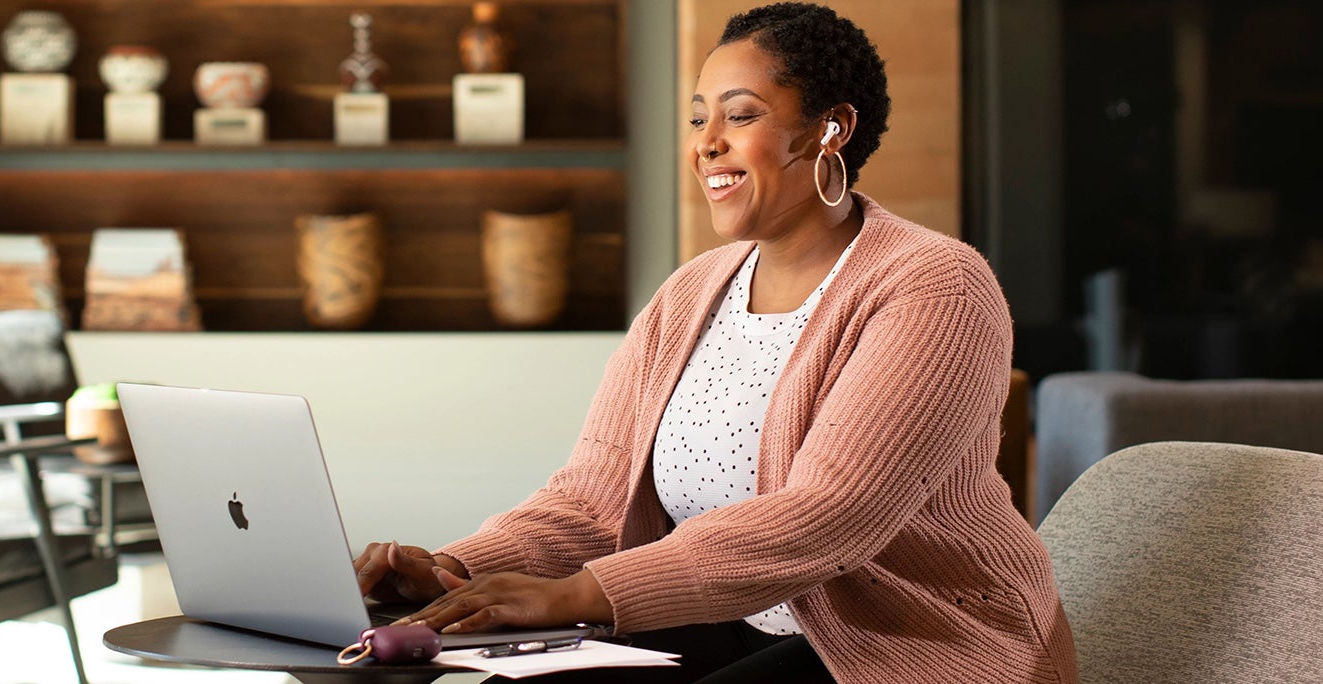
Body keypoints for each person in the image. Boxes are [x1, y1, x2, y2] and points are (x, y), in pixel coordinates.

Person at [353, 4, 1080, 682]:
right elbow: (590, 502)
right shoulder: (690, 294)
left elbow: (827, 517)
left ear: (832, 130)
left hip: (913, 643)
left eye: (740, 116)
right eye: (700, 117)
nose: (706, 144)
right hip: (733, 626)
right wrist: (455, 570)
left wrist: (579, 594)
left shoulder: (935, 287)